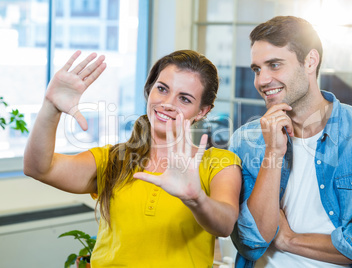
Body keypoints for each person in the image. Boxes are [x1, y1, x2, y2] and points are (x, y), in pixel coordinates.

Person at [23, 50, 242, 267]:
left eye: (184, 99)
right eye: (162, 89)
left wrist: (196, 199)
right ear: (150, 89)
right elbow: (38, 168)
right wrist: (51, 107)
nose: (167, 103)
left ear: (202, 111)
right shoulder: (113, 159)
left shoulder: (219, 162)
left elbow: (224, 224)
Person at [229, 16, 352, 268]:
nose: (261, 80)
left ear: (310, 61)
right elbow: (250, 242)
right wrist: (273, 153)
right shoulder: (245, 140)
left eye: (274, 65)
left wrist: (290, 240)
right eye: (257, 69)